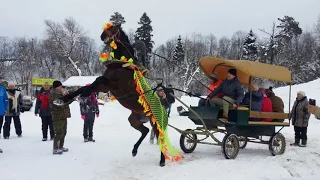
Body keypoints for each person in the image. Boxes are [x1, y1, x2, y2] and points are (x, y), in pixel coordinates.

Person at [49, 80, 72, 154]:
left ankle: (61, 146)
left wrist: (71, 97)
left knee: (64, 132)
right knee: (59, 132)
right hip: (57, 116)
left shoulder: (61, 93)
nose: (61, 87)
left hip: (63, 115)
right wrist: (68, 99)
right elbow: (59, 104)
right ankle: (55, 148)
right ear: (56, 87)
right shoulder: (53, 94)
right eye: (60, 86)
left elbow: (66, 101)